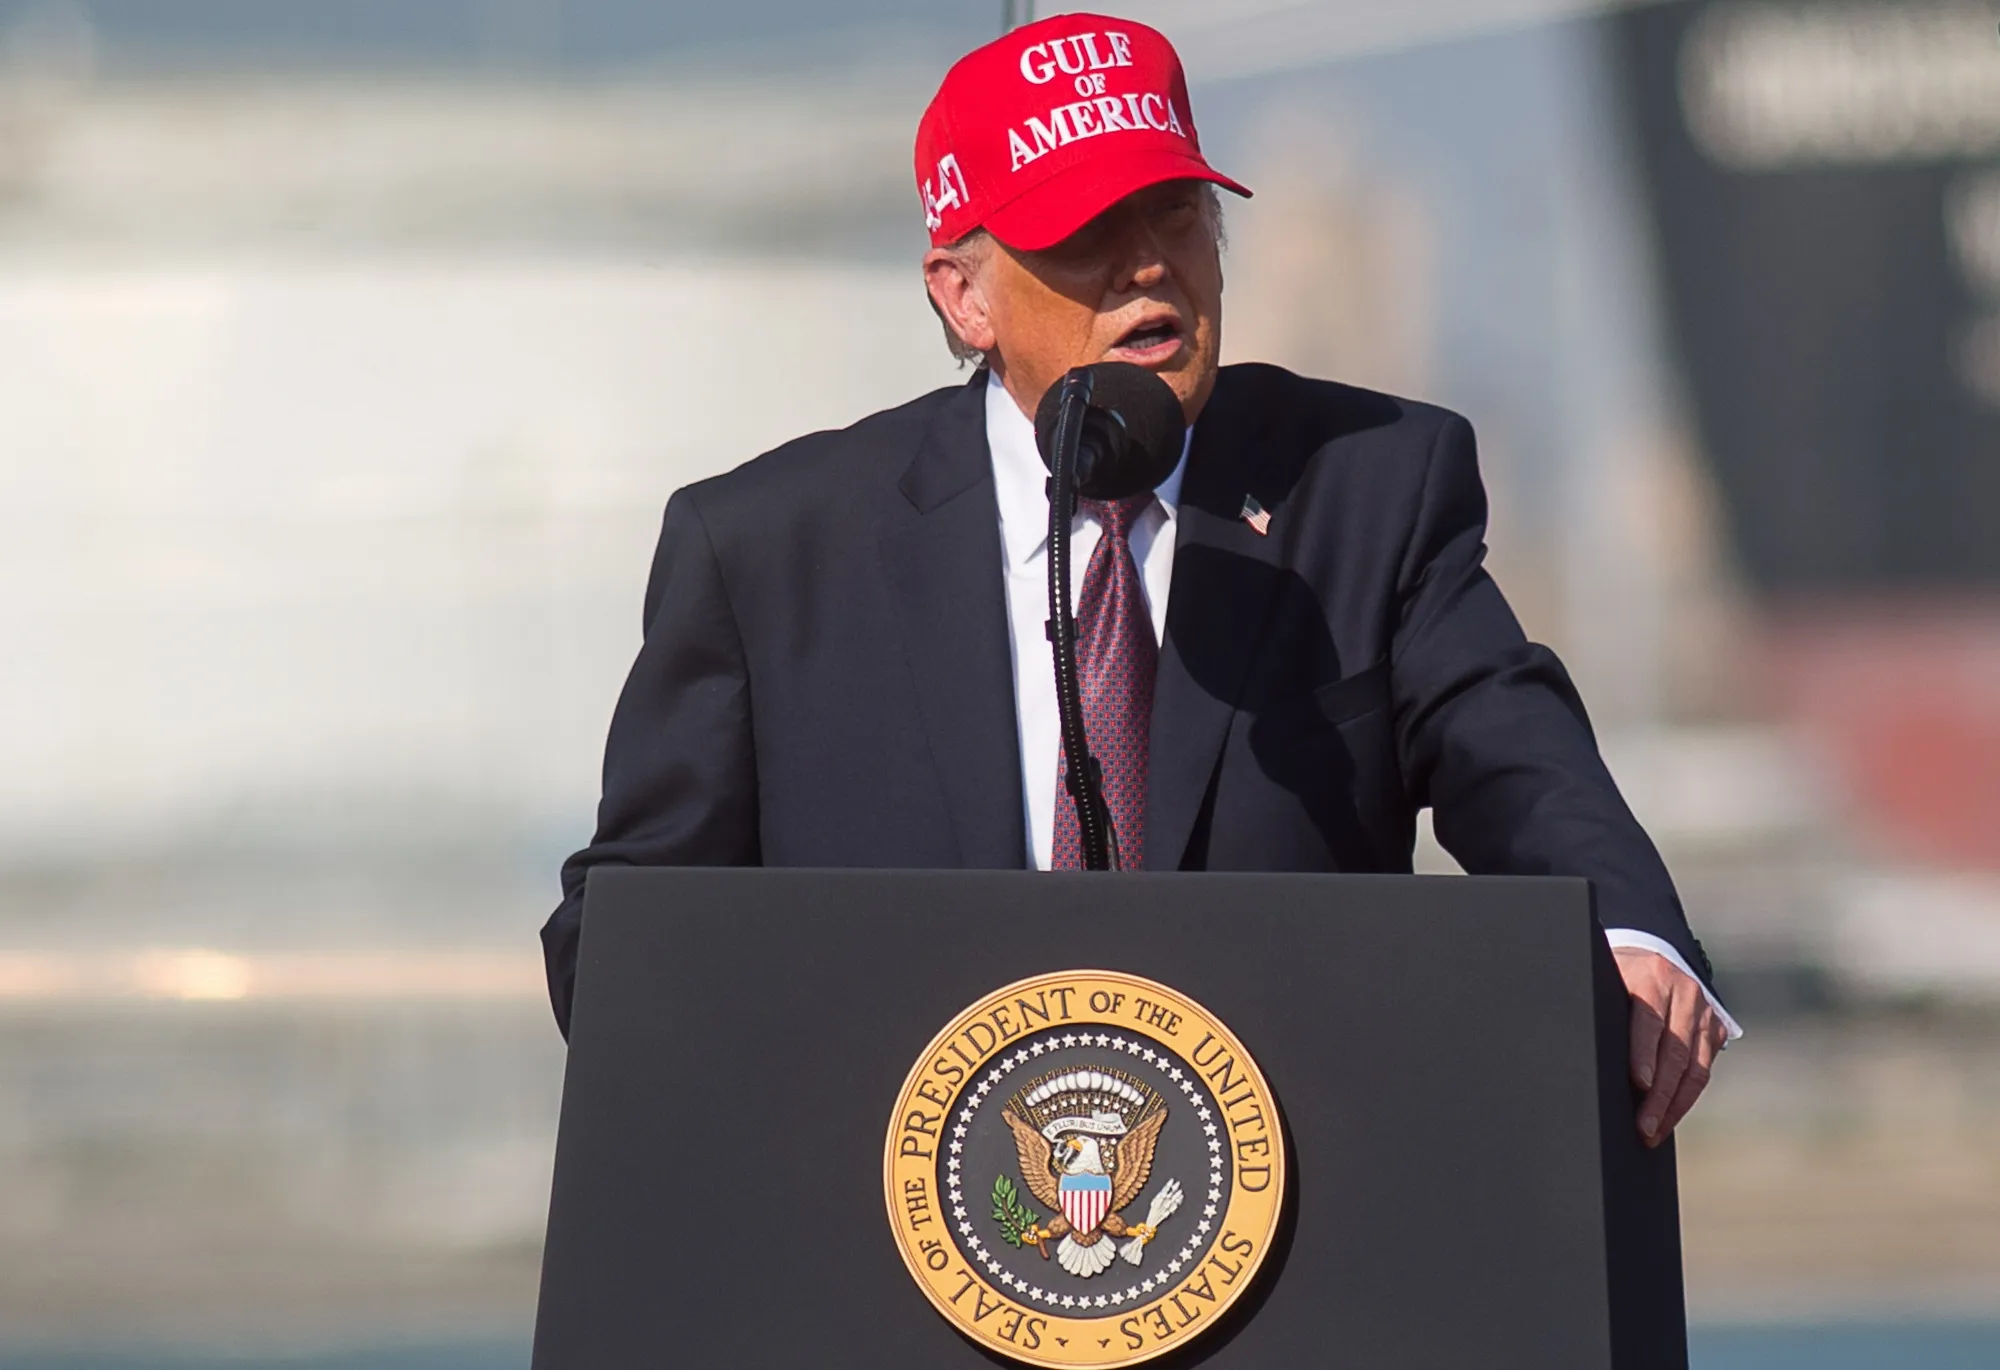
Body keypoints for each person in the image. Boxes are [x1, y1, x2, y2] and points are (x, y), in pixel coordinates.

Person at [541, 12, 1738, 1146]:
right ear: (963, 295)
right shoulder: (771, 552)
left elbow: (1511, 751)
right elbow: (627, 935)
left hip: (1292, 1207)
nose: (1147, 266)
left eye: (1174, 214)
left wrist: (1628, 932)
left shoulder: (1368, 488)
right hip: (886, 1221)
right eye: (1083, 232)